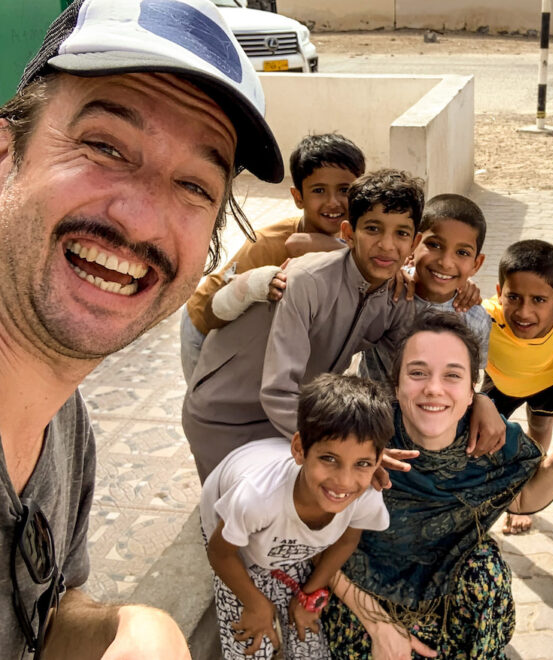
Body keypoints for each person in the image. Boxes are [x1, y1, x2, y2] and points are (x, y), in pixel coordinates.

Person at [0, 0, 283, 658]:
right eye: (105, 146)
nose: (143, 220)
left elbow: (49, 613)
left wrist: (126, 629)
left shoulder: (64, 425)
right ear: (7, 153)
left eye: (193, 184)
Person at [183, 170, 506, 482]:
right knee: (237, 522)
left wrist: (479, 400)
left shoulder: (396, 297)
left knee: (298, 521)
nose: (387, 245)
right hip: (226, 416)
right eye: (373, 229)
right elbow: (279, 390)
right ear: (348, 233)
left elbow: (414, 371)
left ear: (413, 242)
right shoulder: (304, 282)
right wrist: (350, 448)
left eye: (401, 234)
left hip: (296, 419)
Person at [322, 313, 553, 659]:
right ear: (395, 384)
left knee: (487, 570)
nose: (433, 388)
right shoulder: (362, 436)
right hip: (360, 592)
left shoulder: (492, 439)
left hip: (449, 594)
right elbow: (314, 536)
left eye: (452, 375)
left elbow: (523, 499)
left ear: (472, 390)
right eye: (418, 372)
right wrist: (380, 626)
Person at [201, 374, 393, 660]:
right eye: (329, 459)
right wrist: (256, 604)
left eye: (362, 463)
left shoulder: (364, 495)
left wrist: (310, 593)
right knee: (251, 642)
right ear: (300, 449)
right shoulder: (255, 498)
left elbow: (345, 542)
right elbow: (219, 552)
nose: (343, 481)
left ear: (378, 462)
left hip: (278, 530)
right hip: (232, 536)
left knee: (308, 641)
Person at [180, 134, 366, 382]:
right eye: (319, 190)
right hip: (204, 330)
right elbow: (211, 312)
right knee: (213, 407)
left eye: (344, 190)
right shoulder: (267, 244)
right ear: (298, 197)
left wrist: (333, 249)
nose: (333, 202)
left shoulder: (353, 239)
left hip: (258, 340)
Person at [481, 239, 553, 535]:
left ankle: (527, 488)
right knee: (486, 434)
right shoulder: (486, 315)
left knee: (540, 431)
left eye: (539, 300)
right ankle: (483, 492)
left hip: (549, 380)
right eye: (514, 297)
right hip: (501, 380)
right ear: (499, 293)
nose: (524, 312)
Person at [359, 193, 491, 381]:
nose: (446, 263)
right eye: (434, 245)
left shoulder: (476, 319)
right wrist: (389, 272)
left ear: (476, 264)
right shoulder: (386, 293)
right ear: (413, 244)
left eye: (462, 252)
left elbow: (470, 376)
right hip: (373, 406)